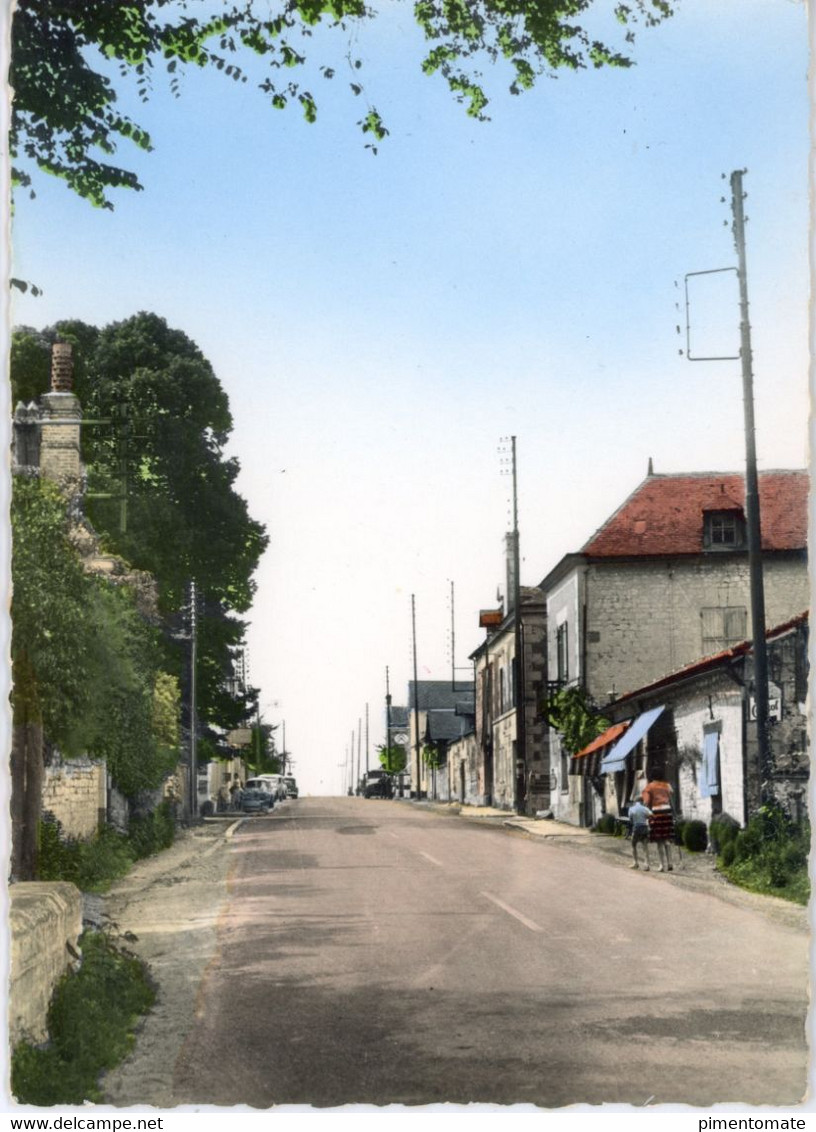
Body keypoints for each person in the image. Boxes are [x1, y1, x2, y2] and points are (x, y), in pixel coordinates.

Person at [642, 772, 675, 872]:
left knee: (659, 839)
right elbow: (671, 794)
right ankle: (670, 863)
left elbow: (646, 802)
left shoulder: (649, 787)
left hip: (657, 812)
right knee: (667, 838)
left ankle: (662, 865)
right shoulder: (667, 785)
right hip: (667, 811)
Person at [627, 797, 653, 870]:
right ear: (642, 801)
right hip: (644, 827)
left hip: (636, 828)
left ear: (635, 802)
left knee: (633, 845)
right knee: (645, 846)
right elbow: (651, 815)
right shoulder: (645, 808)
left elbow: (630, 818)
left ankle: (635, 863)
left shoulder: (631, 808)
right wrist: (646, 818)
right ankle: (647, 864)